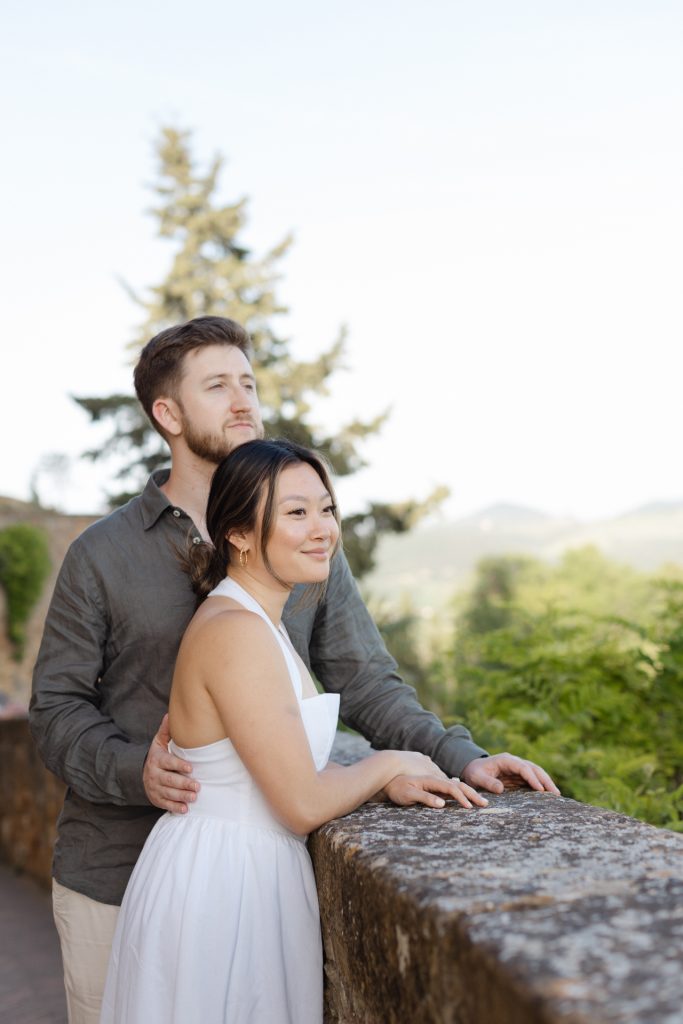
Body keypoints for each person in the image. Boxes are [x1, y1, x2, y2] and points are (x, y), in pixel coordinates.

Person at [30, 315, 559, 1024]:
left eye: (248, 383)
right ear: (168, 415)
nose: (243, 401)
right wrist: (138, 770)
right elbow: (55, 709)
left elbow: (365, 679)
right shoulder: (101, 553)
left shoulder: (304, 545)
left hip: (249, 879)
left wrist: (458, 756)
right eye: (218, 386)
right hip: (114, 870)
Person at [100, 438, 485, 1023]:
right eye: (296, 512)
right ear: (239, 534)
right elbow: (301, 803)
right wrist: (390, 763)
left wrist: (385, 783)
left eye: (326, 509)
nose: (322, 529)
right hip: (223, 889)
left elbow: (276, 766)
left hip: (242, 873)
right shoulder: (236, 630)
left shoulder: (257, 621)